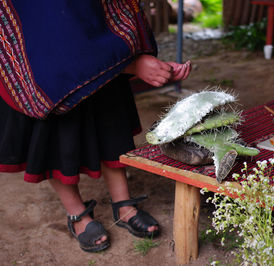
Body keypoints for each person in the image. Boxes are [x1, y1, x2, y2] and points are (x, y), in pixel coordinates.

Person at [0, 0, 191, 252]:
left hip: (100, 46)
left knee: (110, 119)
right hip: (44, 54)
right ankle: (77, 214)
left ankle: (124, 205)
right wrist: (132, 64)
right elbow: (49, 29)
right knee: (57, 129)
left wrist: (139, 55)